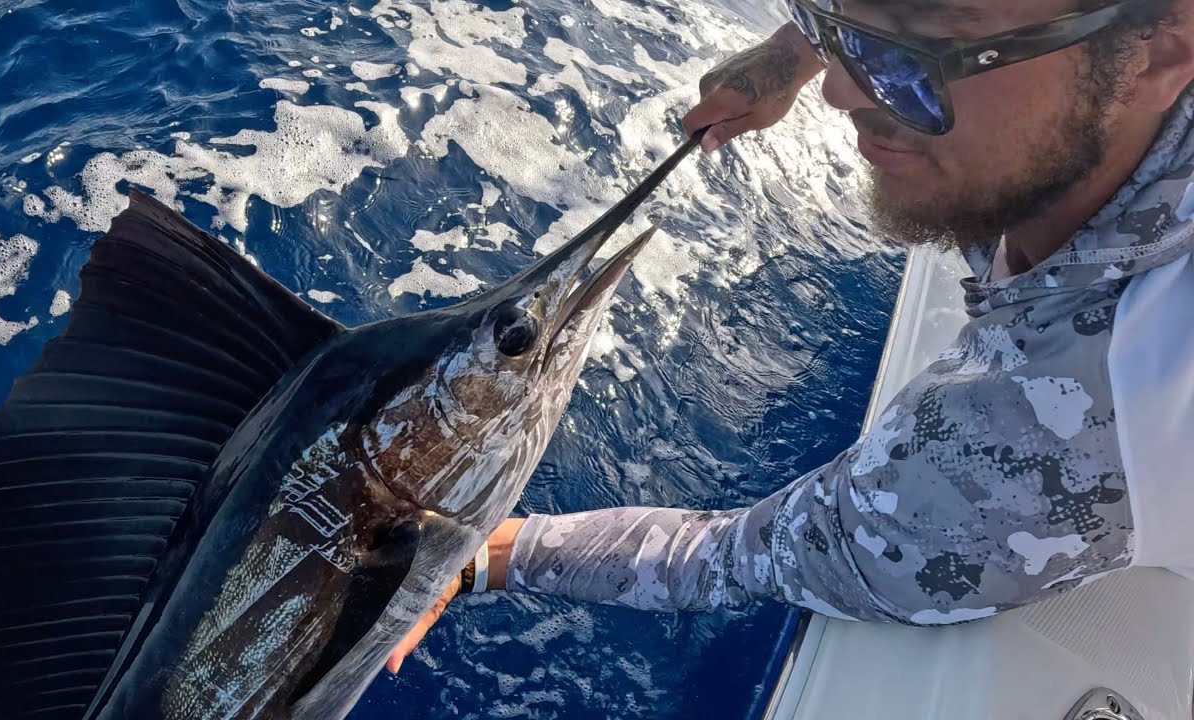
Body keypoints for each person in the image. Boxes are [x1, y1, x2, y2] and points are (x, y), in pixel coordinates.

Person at [388, 0, 1194, 674]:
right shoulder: (1080, 70)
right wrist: (791, 54)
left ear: (1161, 52)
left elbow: (732, 556)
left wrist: (493, 549)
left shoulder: (1042, 444)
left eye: (916, 50)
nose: (841, 93)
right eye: (838, 19)